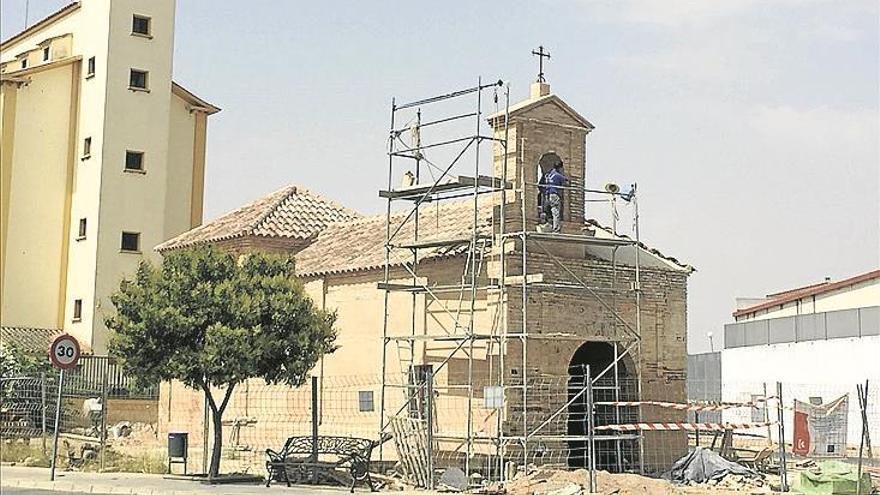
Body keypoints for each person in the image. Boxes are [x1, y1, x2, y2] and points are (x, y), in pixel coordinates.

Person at [541, 162, 568, 232]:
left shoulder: (547, 175)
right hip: (554, 195)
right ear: (560, 168)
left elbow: (540, 185)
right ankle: (556, 228)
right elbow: (566, 183)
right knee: (555, 212)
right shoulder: (558, 175)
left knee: (547, 211)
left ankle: (547, 225)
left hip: (547, 195)